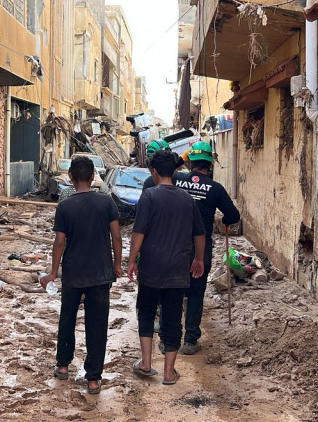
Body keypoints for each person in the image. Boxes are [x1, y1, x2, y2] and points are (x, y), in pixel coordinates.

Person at [147, 141, 241, 355]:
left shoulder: (177, 179)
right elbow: (234, 216)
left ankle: (166, 337)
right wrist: (224, 219)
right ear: (210, 164)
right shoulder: (215, 189)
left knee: (171, 290)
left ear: (190, 162)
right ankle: (190, 340)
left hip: (173, 245)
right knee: (196, 292)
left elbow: (164, 172)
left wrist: (182, 158)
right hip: (201, 247)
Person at [41, 156, 123, 395]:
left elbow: (59, 242)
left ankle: (63, 366)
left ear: (71, 178)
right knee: (97, 325)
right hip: (100, 274)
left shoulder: (65, 206)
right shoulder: (106, 202)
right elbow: (116, 237)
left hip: (73, 274)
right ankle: (94, 379)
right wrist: (117, 265)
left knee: (67, 319)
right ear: (92, 177)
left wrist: (53, 272)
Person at [128, 150, 205, 385]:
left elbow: (138, 232)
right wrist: (198, 259)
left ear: (153, 171)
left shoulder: (149, 196)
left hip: (151, 267)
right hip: (178, 270)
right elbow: (199, 234)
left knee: (146, 312)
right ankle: (169, 373)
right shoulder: (187, 199)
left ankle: (146, 364)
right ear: (174, 172)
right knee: (173, 318)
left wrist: (132, 259)